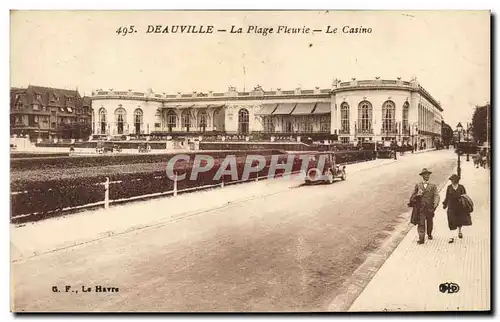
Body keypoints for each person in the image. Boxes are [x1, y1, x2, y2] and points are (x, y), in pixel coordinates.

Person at [408, 168, 440, 244]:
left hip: (430, 208)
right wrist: (417, 195)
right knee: (421, 223)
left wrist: (436, 203)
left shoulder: (433, 186)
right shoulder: (418, 185)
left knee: (430, 222)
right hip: (421, 208)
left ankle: (429, 233)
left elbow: (436, 195)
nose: (427, 176)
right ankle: (421, 239)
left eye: (428, 174)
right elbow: (413, 195)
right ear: (422, 176)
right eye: (425, 174)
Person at [443, 174, 472, 243]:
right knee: (451, 221)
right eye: (452, 180)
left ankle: (459, 232)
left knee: (459, 221)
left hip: (460, 207)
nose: (453, 181)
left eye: (454, 180)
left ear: (457, 181)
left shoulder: (461, 187)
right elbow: (447, 197)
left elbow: (465, 196)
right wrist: (445, 204)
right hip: (451, 207)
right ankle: (451, 236)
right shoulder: (449, 187)